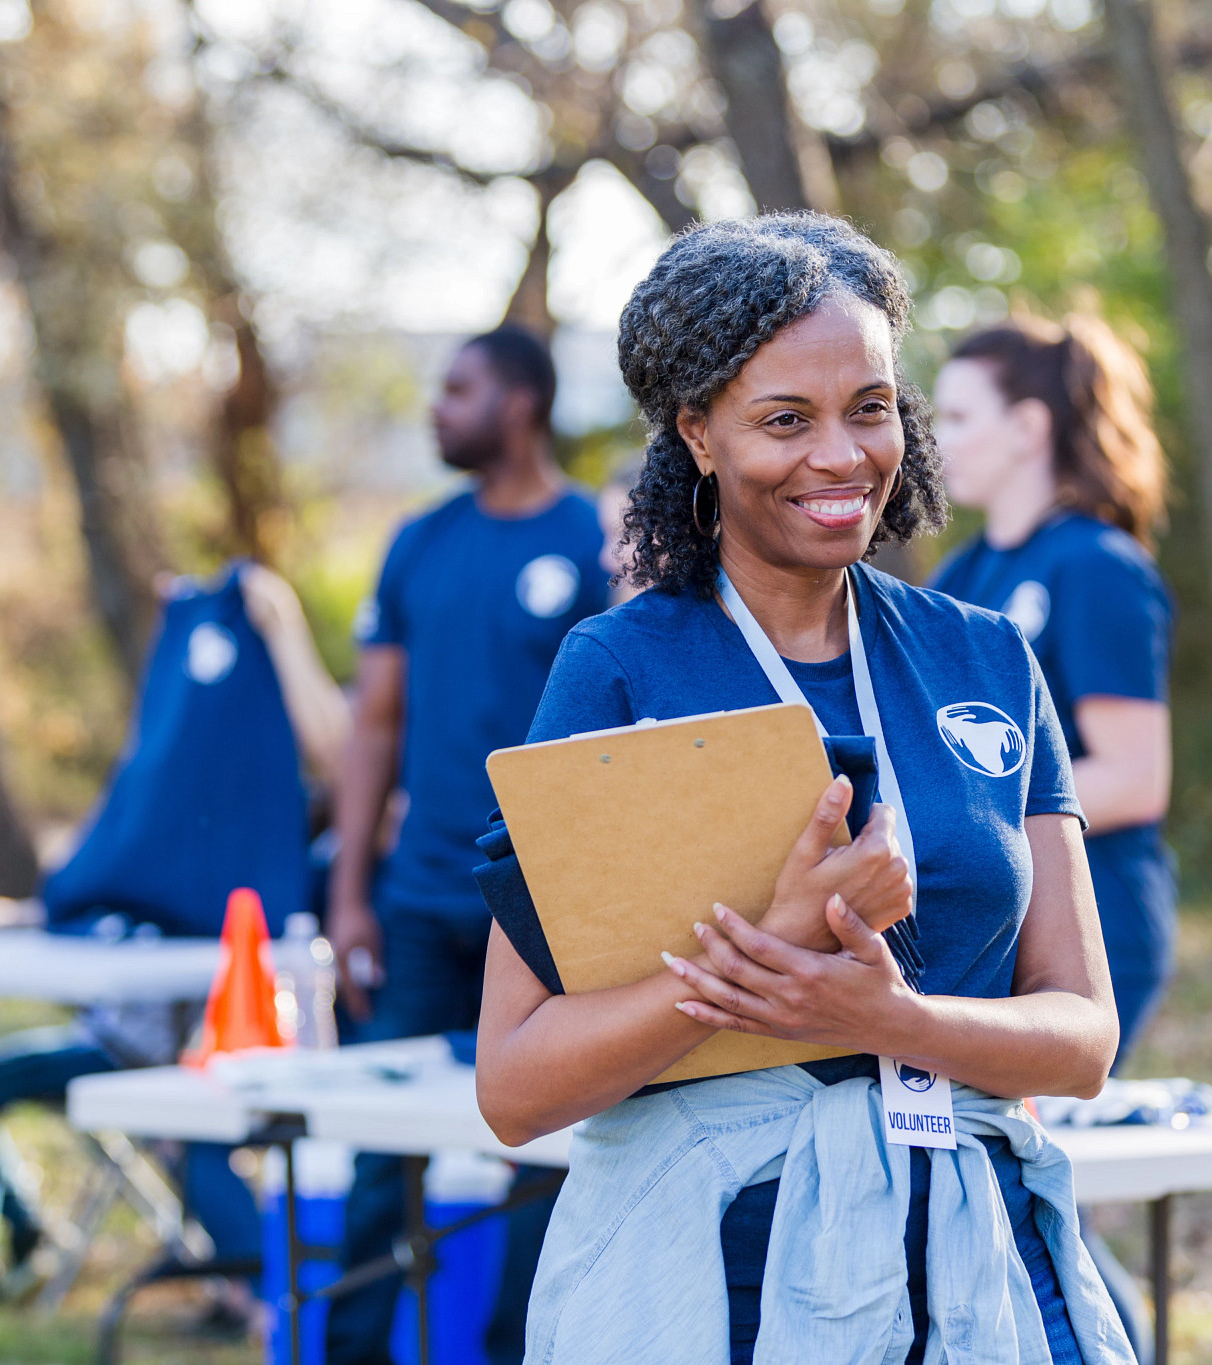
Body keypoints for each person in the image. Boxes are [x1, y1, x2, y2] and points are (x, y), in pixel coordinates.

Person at [475, 215, 1134, 1364]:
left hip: (976, 1259)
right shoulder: (622, 669)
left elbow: (1081, 1035)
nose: (839, 456)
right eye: (784, 420)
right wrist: (765, 954)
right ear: (698, 433)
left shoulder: (984, 659)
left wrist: (887, 1019)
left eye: (868, 408)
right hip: (725, 1269)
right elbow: (516, 1085)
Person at [0, 563, 347, 1311]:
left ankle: (268, 1299)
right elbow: (108, 879)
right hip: (111, 1045)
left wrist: (282, 625)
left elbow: (338, 750)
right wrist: (38, 912)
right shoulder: (159, 810)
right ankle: (2, 1238)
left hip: (183, 1062)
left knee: (191, 1132)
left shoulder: (259, 846)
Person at [324, 327, 608, 1365]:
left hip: (552, 916)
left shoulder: (595, 542)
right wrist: (349, 893)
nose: (436, 409)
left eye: (457, 390)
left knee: (548, 1154)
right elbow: (373, 725)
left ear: (520, 403)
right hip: (419, 905)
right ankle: (348, 1349)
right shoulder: (418, 542)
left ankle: (509, 1349)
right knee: (375, 1153)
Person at [929, 315, 1175, 1362]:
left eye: (953, 416)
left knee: (1019, 1183)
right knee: (999, 1181)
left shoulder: (1096, 568)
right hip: (988, 925)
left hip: (1090, 918)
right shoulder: (965, 572)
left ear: (1028, 426)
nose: (927, 439)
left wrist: (981, 818)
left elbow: (1134, 773)